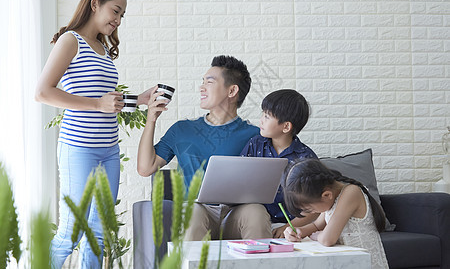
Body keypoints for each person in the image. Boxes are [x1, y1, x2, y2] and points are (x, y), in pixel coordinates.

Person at [35, 0, 152, 268]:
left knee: (98, 235)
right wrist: (98, 104)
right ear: (95, 4)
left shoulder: (101, 48)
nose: (118, 20)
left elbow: (105, 101)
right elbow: (42, 92)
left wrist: (140, 99)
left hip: (109, 150)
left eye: (122, 15)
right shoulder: (70, 40)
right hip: (79, 149)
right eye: (116, 11)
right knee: (72, 232)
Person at [137, 55, 272, 241]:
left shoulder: (256, 135)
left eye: (209, 82)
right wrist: (151, 119)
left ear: (232, 91)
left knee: (256, 212)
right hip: (197, 211)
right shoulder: (182, 130)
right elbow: (146, 168)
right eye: (203, 82)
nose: (201, 87)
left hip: (236, 213)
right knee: (192, 213)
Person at [240, 89, 319, 238]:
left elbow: (315, 208)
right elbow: (239, 179)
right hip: (254, 219)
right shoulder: (255, 144)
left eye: (267, 116)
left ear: (286, 127)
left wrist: (288, 227)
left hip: (290, 225)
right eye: (262, 114)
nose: (261, 120)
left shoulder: (306, 159)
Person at [283, 159, 389, 269]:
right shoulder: (331, 200)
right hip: (346, 261)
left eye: (310, 209)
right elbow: (316, 225)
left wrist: (318, 235)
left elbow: (327, 239)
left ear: (326, 195)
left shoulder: (351, 193)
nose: (312, 213)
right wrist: (299, 231)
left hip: (364, 263)